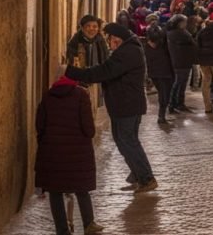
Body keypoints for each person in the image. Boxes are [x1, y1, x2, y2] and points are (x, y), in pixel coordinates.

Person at [65, 23, 157, 193]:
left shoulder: (128, 52)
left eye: (110, 39)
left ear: (116, 38)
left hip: (127, 105)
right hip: (123, 104)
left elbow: (105, 71)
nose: (108, 43)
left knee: (128, 141)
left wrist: (74, 73)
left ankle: (146, 178)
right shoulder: (127, 50)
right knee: (124, 141)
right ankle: (139, 175)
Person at [35, 70, 103, 235]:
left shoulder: (47, 96)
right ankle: (88, 223)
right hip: (78, 152)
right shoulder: (81, 94)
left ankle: (62, 229)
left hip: (53, 152)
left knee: (55, 191)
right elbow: (89, 129)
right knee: (81, 188)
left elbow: (40, 125)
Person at [142, 13, 174, 125]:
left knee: (162, 93)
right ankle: (161, 116)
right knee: (164, 94)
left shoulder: (146, 46)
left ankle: (162, 115)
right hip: (165, 72)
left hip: (155, 73)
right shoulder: (163, 45)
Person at [166, 14, 196, 113]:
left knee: (180, 83)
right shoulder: (181, 34)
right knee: (180, 83)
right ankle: (175, 104)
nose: (186, 24)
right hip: (182, 61)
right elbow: (193, 43)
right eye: (184, 22)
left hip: (179, 60)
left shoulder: (172, 33)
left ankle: (177, 103)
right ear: (179, 23)